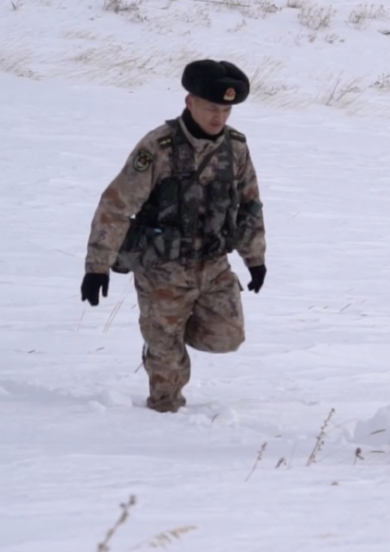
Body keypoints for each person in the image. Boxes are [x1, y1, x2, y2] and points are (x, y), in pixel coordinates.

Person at [80, 59, 267, 413]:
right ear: (189, 102)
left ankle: (165, 338)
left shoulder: (236, 148)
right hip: (161, 267)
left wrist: (255, 259)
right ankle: (163, 402)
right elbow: (115, 206)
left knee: (228, 337)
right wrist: (97, 266)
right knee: (166, 363)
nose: (219, 117)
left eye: (226, 109)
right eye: (212, 107)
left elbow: (250, 205)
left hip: (213, 263)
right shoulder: (159, 146)